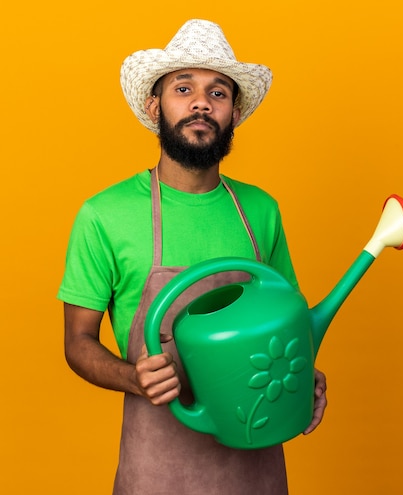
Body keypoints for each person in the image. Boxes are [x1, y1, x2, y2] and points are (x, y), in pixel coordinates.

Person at [58, 19, 328, 494]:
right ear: (154, 104)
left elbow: (289, 325)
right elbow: (78, 342)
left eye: (218, 93)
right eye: (183, 88)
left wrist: (302, 374)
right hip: (157, 469)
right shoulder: (105, 215)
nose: (201, 102)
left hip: (255, 465)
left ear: (233, 113)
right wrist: (134, 377)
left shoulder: (260, 212)